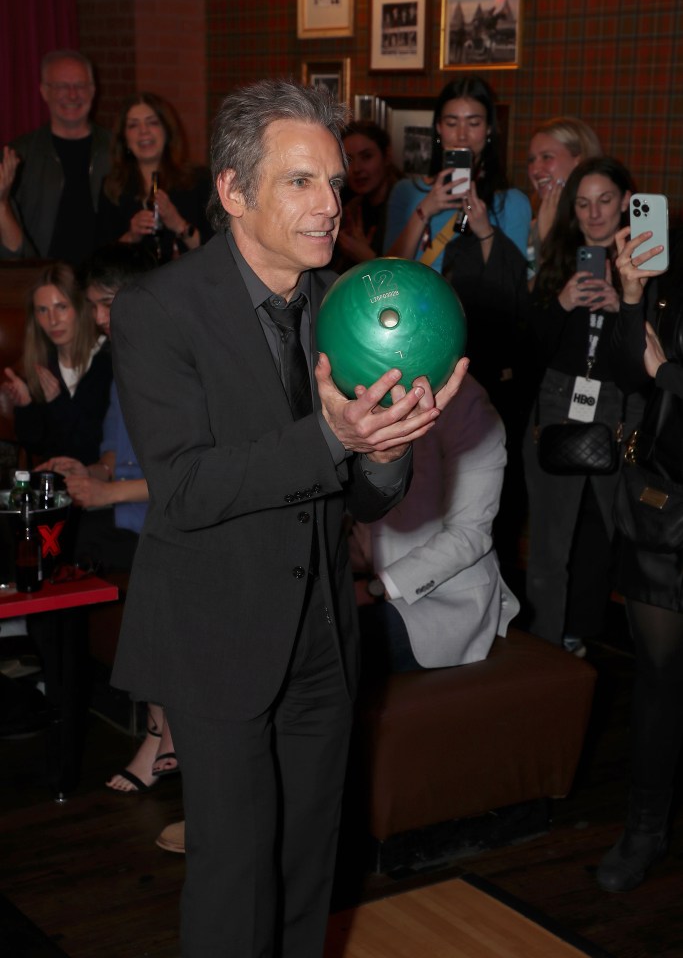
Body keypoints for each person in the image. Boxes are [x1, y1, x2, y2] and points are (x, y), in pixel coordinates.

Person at [109, 78, 468, 957]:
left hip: (321, 636)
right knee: (236, 877)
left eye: (334, 183)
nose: (327, 206)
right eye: (299, 182)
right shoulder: (159, 310)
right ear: (234, 192)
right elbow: (186, 490)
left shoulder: (339, 303)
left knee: (312, 870)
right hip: (215, 633)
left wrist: (385, 447)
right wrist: (331, 436)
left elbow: (365, 495)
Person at [35, 243, 177, 791]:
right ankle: (64, 704)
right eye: (93, 306)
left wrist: (105, 491)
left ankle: (161, 726)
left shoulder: (171, 360)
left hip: (166, 519)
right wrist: (88, 469)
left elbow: (183, 477)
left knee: (96, 552)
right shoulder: (126, 360)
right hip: (132, 513)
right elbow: (118, 455)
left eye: (105, 304)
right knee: (52, 549)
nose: (97, 317)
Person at [523, 157, 645, 651]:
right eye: (583, 203)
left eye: (606, 200)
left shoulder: (646, 262)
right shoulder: (558, 257)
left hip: (620, 407)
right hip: (558, 400)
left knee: (606, 533)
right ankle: (545, 645)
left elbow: (647, 364)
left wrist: (626, 307)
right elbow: (529, 348)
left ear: (625, 202)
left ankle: (581, 634)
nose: (595, 214)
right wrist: (562, 304)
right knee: (551, 538)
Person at [596, 224, 683, 892]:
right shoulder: (674, 250)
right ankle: (644, 830)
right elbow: (631, 371)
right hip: (668, 503)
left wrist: (667, 373)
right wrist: (630, 293)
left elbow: (660, 373)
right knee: (656, 682)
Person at [351, 373, 519, 672]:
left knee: (333, 645)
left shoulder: (469, 402)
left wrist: (375, 589)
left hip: (446, 601)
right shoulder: (362, 382)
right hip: (372, 582)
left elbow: (469, 536)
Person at [383, 76, 531, 274]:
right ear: (439, 128)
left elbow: (513, 284)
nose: (462, 135)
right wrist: (423, 212)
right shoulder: (406, 192)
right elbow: (386, 272)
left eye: (474, 123)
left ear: (488, 128)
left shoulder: (511, 202)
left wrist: (485, 231)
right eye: (452, 123)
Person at [0, 50, 110, 266]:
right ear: (44, 91)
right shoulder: (18, 155)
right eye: (61, 86)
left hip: (103, 284)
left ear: (93, 90)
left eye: (79, 85)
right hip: (43, 281)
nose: (72, 95)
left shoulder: (116, 150)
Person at [1, 264, 112, 466]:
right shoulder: (44, 363)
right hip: (55, 485)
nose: (53, 320)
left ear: (80, 308)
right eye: (43, 310)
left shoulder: (107, 360)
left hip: (100, 484)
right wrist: (25, 406)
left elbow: (94, 446)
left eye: (61, 307)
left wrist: (57, 401)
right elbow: (37, 446)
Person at [97, 92, 212, 264]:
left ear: (167, 131)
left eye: (152, 122)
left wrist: (178, 224)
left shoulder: (198, 180)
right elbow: (100, 262)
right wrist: (131, 236)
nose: (144, 131)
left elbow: (216, 254)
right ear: (125, 139)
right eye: (133, 125)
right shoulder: (112, 187)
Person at [527, 117, 603, 279]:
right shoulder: (532, 225)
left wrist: (549, 240)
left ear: (579, 161)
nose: (535, 169)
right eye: (531, 160)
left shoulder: (597, 221)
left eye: (547, 157)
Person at [333, 121, 400, 272]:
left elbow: (411, 280)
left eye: (367, 156)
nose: (357, 169)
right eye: (349, 160)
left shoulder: (406, 207)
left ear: (387, 156)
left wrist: (366, 257)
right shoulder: (346, 209)